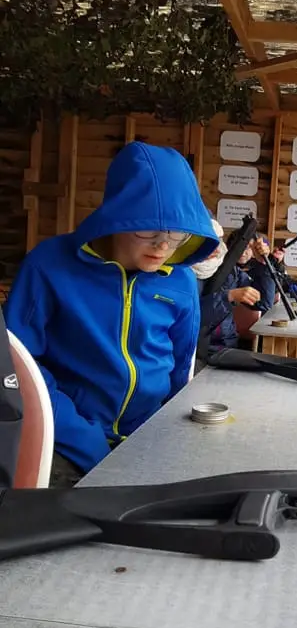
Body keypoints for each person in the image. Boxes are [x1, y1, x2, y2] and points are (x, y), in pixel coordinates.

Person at [3, 141, 220, 486]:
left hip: (146, 440)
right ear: (118, 216)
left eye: (176, 233)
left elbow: (181, 369)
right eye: (148, 230)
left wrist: (165, 436)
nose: (163, 245)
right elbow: (19, 365)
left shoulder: (181, 281)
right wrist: (82, 437)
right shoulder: (49, 265)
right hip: (65, 440)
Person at [196, 228, 276, 355]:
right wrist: (229, 296)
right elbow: (193, 316)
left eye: (218, 241)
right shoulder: (186, 274)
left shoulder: (232, 272)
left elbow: (263, 303)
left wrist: (263, 264)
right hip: (196, 349)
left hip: (227, 345)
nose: (216, 249)